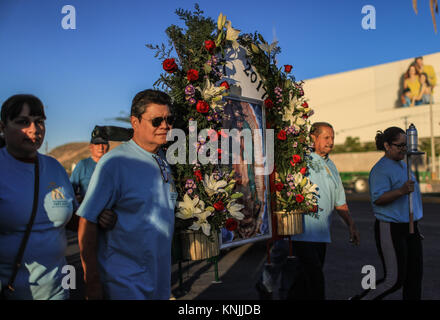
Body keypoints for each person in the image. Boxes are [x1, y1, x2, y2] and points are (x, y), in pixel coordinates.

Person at [77, 89, 177, 300]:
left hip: (158, 278)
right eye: (156, 120)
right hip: (124, 281)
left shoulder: (162, 160)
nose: (165, 126)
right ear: (135, 122)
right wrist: (92, 282)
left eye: (169, 119)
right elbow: (87, 221)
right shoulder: (115, 163)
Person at [256, 122, 360, 300]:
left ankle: (268, 286)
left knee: (302, 283)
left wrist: (351, 225)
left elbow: (340, 201)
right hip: (300, 233)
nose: (331, 142)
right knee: (314, 280)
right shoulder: (301, 159)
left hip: (321, 235)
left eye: (332, 138)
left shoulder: (332, 166)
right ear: (313, 137)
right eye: (326, 137)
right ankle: (266, 284)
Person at [0, 94, 78, 300]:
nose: (34, 130)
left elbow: (73, 217)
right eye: (23, 122)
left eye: (39, 121)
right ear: (2, 127)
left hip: (58, 291)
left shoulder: (55, 167)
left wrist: (102, 216)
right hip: (13, 292)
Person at [354, 127, 423, 300]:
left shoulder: (403, 164)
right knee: (394, 279)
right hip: (391, 228)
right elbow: (378, 199)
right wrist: (401, 191)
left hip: (411, 227)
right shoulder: (380, 169)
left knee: (414, 278)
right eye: (399, 145)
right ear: (387, 145)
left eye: (405, 145)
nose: (403, 149)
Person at [70, 127, 110, 202]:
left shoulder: (114, 166)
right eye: (97, 144)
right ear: (90, 147)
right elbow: (70, 191)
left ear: (108, 146)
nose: (101, 147)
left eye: (104, 143)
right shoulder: (83, 165)